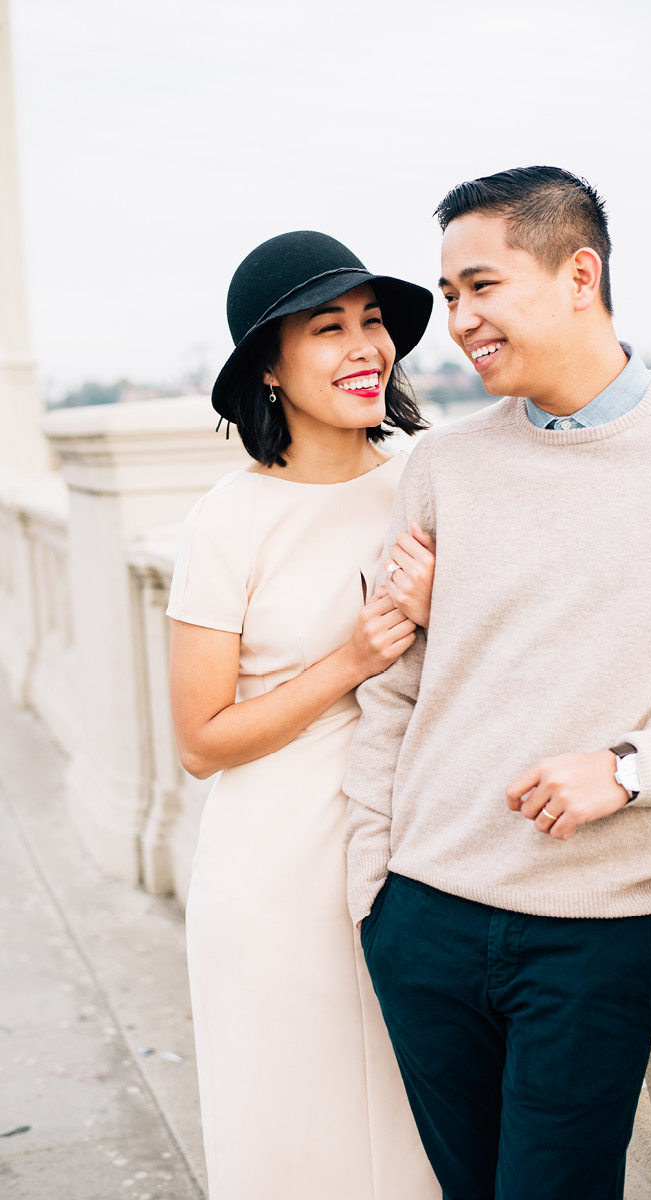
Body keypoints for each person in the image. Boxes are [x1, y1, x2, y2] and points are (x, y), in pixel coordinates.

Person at [344, 166, 651, 1200]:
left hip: (591, 932)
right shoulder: (441, 466)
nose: (456, 320)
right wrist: (371, 892)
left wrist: (630, 767)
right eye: (449, 295)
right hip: (420, 917)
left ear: (576, 272)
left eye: (479, 286)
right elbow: (393, 690)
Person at [167, 230, 441, 1200]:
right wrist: (351, 659)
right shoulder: (227, 521)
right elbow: (201, 741)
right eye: (328, 327)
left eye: (373, 323)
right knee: (297, 1145)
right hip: (272, 881)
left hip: (415, 864)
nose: (364, 345)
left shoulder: (430, 479)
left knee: (415, 1143)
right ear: (269, 370)